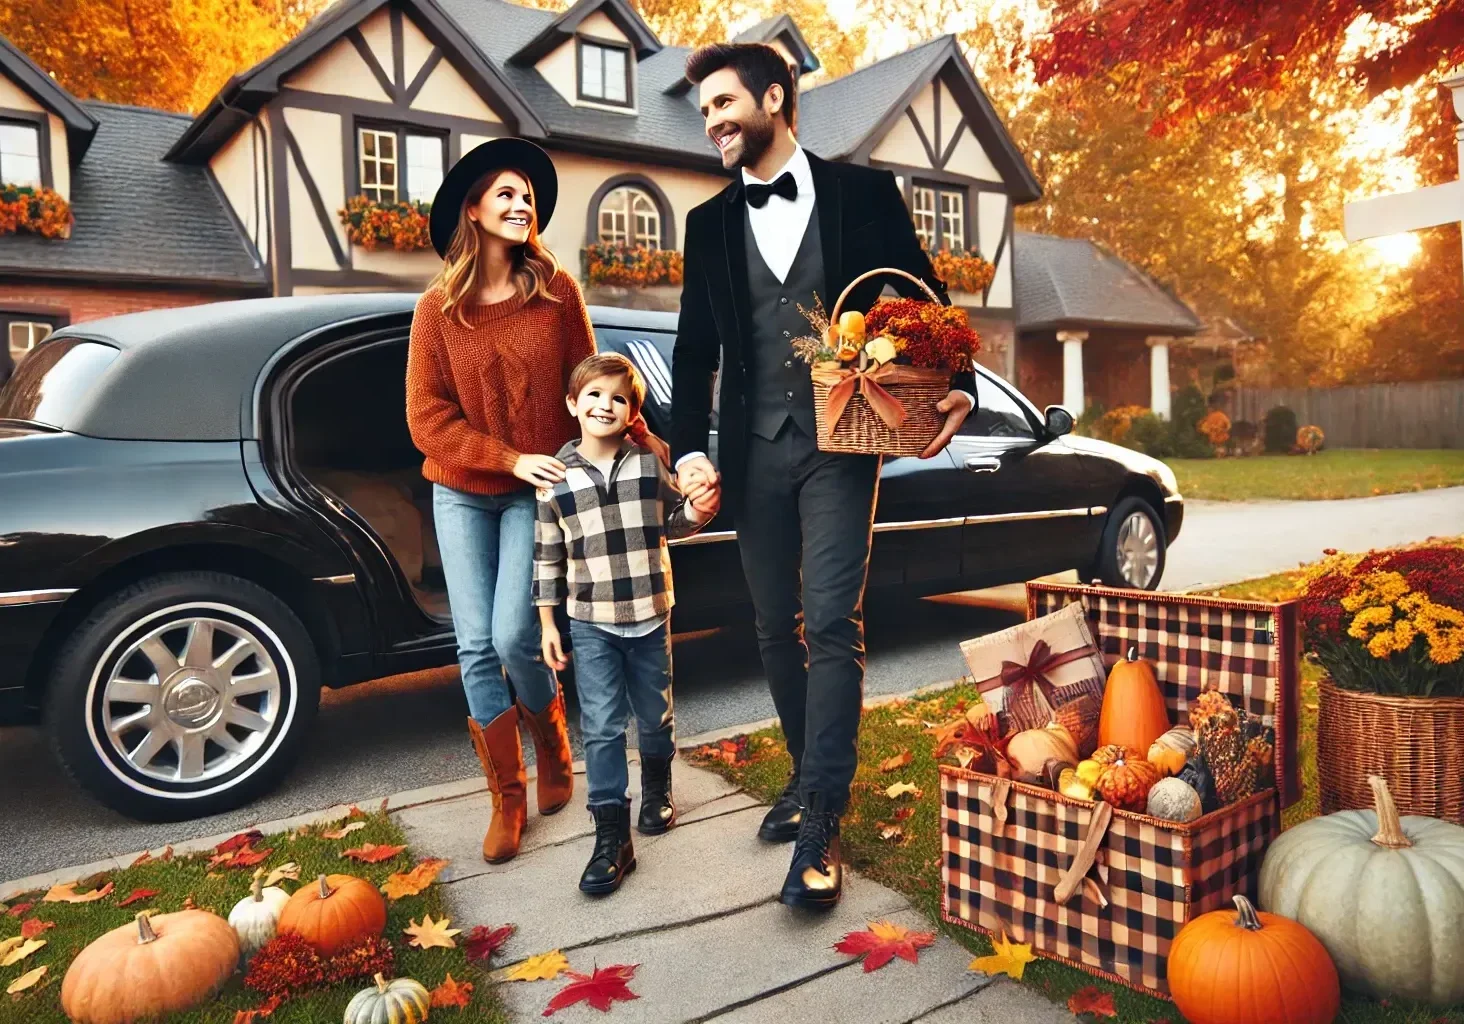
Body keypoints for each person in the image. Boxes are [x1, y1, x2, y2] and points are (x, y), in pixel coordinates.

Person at [671, 44, 976, 909]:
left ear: (775, 97)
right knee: (773, 627)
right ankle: (807, 777)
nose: (714, 121)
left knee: (832, 621)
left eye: (725, 103)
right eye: (704, 112)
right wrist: (690, 449)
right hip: (753, 450)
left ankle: (822, 821)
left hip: (845, 437)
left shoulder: (863, 195)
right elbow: (695, 355)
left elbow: (927, 304)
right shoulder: (708, 223)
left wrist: (954, 387)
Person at [406, 138, 593, 865]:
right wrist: (507, 455)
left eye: (528, 195)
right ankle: (507, 797)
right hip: (462, 493)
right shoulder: (436, 311)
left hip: (533, 497)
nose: (522, 205)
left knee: (518, 637)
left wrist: (646, 444)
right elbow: (427, 417)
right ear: (474, 210)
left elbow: (589, 382)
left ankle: (552, 742)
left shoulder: (556, 294)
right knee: (475, 645)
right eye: (506, 194)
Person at [533, 353, 714, 895]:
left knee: (655, 715)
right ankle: (611, 834)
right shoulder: (555, 480)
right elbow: (546, 558)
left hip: (650, 612)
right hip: (591, 622)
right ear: (572, 404)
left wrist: (700, 514)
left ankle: (657, 788)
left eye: (617, 397)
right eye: (592, 395)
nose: (603, 405)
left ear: (632, 410)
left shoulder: (648, 464)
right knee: (603, 727)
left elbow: (673, 524)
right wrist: (547, 623)